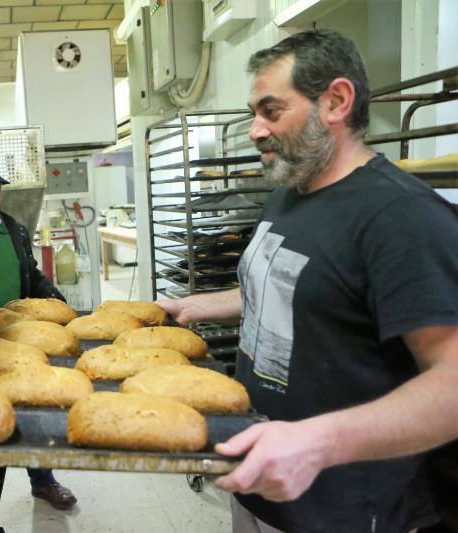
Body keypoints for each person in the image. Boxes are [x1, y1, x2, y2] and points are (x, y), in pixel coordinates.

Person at [157, 30, 458, 532]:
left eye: (271, 111)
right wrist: (201, 305)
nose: (255, 130)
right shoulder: (291, 192)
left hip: (348, 507)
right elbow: (301, 288)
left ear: (337, 101)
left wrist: (316, 442)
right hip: (264, 483)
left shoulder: (401, 218)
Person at [0, 154, 77, 510]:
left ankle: (43, 481)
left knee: (29, 411)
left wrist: (54, 299)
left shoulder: (14, 229)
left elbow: (31, 276)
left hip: (17, 340)